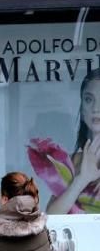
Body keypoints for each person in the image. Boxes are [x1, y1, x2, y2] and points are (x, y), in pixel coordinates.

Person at [35, 69, 100, 214]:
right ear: (82, 110)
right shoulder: (72, 162)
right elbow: (52, 217)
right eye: (89, 99)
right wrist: (82, 179)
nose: (96, 108)